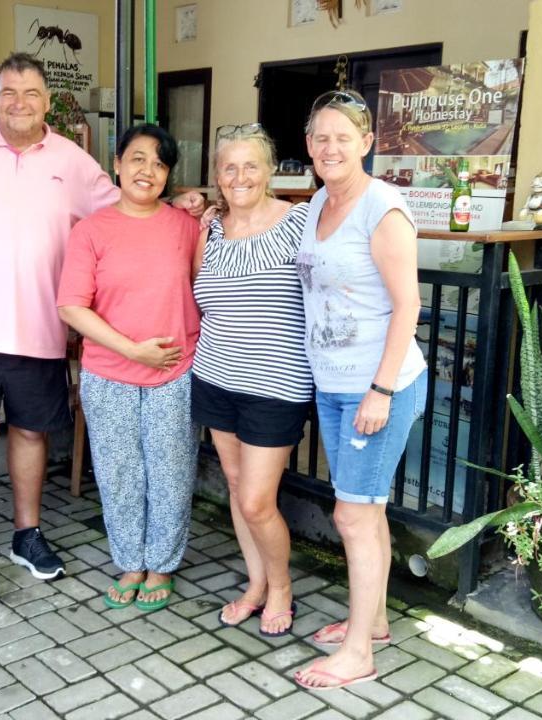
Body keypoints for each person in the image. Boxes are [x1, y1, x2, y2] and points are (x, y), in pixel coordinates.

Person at [0, 53, 205, 605]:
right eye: (9, 91)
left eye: (31, 93)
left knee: (31, 434)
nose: (19, 103)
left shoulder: (73, 161)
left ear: (47, 100)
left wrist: (186, 201)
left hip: (39, 330)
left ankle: (27, 536)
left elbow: (130, 205)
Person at [292, 90, 428, 689]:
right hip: (333, 385)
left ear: (367, 143)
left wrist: (379, 389)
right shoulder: (320, 200)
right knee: (365, 512)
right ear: (309, 146)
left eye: (343, 137)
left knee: (351, 515)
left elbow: (409, 306)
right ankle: (371, 624)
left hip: (379, 388)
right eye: (320, 137)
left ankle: (357, 653)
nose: (330, 147)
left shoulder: (383, 208)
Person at [57, 124, 201, 612]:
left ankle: (161, 564)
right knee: (119, 472)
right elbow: (72, 307)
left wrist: (202, 204)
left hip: (175, 372)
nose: (148, 171)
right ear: (116, 164)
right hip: (109, 374)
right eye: (138, 158)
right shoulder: (91, 231)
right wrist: (132, 350)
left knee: (171, 470)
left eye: (160, 164)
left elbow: (204, 290)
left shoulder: (187, 227)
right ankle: (129, 561)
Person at [192, 125, 311, 636]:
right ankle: (256, 584)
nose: (240, 177)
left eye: (250, 166)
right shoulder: (209, 229)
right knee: (239, 489)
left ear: (270, 170)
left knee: (259, 500)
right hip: (216, 375)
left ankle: (281, 587)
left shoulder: (299, 221)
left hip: (276, 386)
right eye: (229, 167)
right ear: (217, 175)